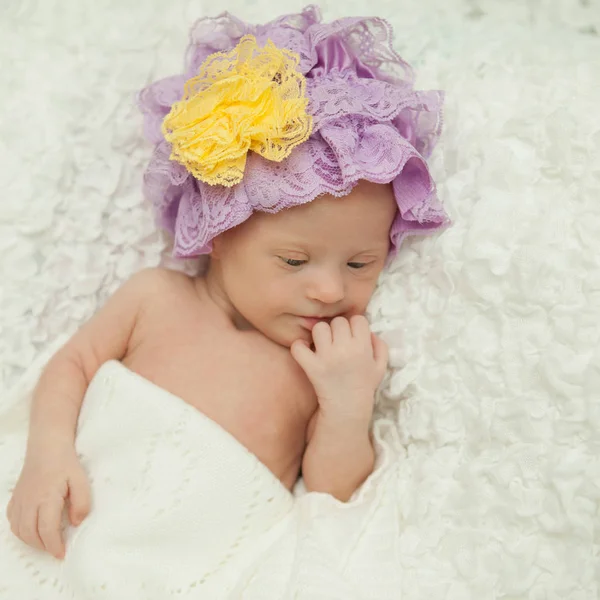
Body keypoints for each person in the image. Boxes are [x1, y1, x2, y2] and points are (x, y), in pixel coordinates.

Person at [6, 5, 448, 561]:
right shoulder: (156, 297)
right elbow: (69, 366)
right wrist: (47, 456)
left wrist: (348, 405)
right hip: (73, 521)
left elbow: (333, 496)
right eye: (293, 260)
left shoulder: (322, 364)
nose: (332, 291)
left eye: (360, 264)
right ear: (216, 232)